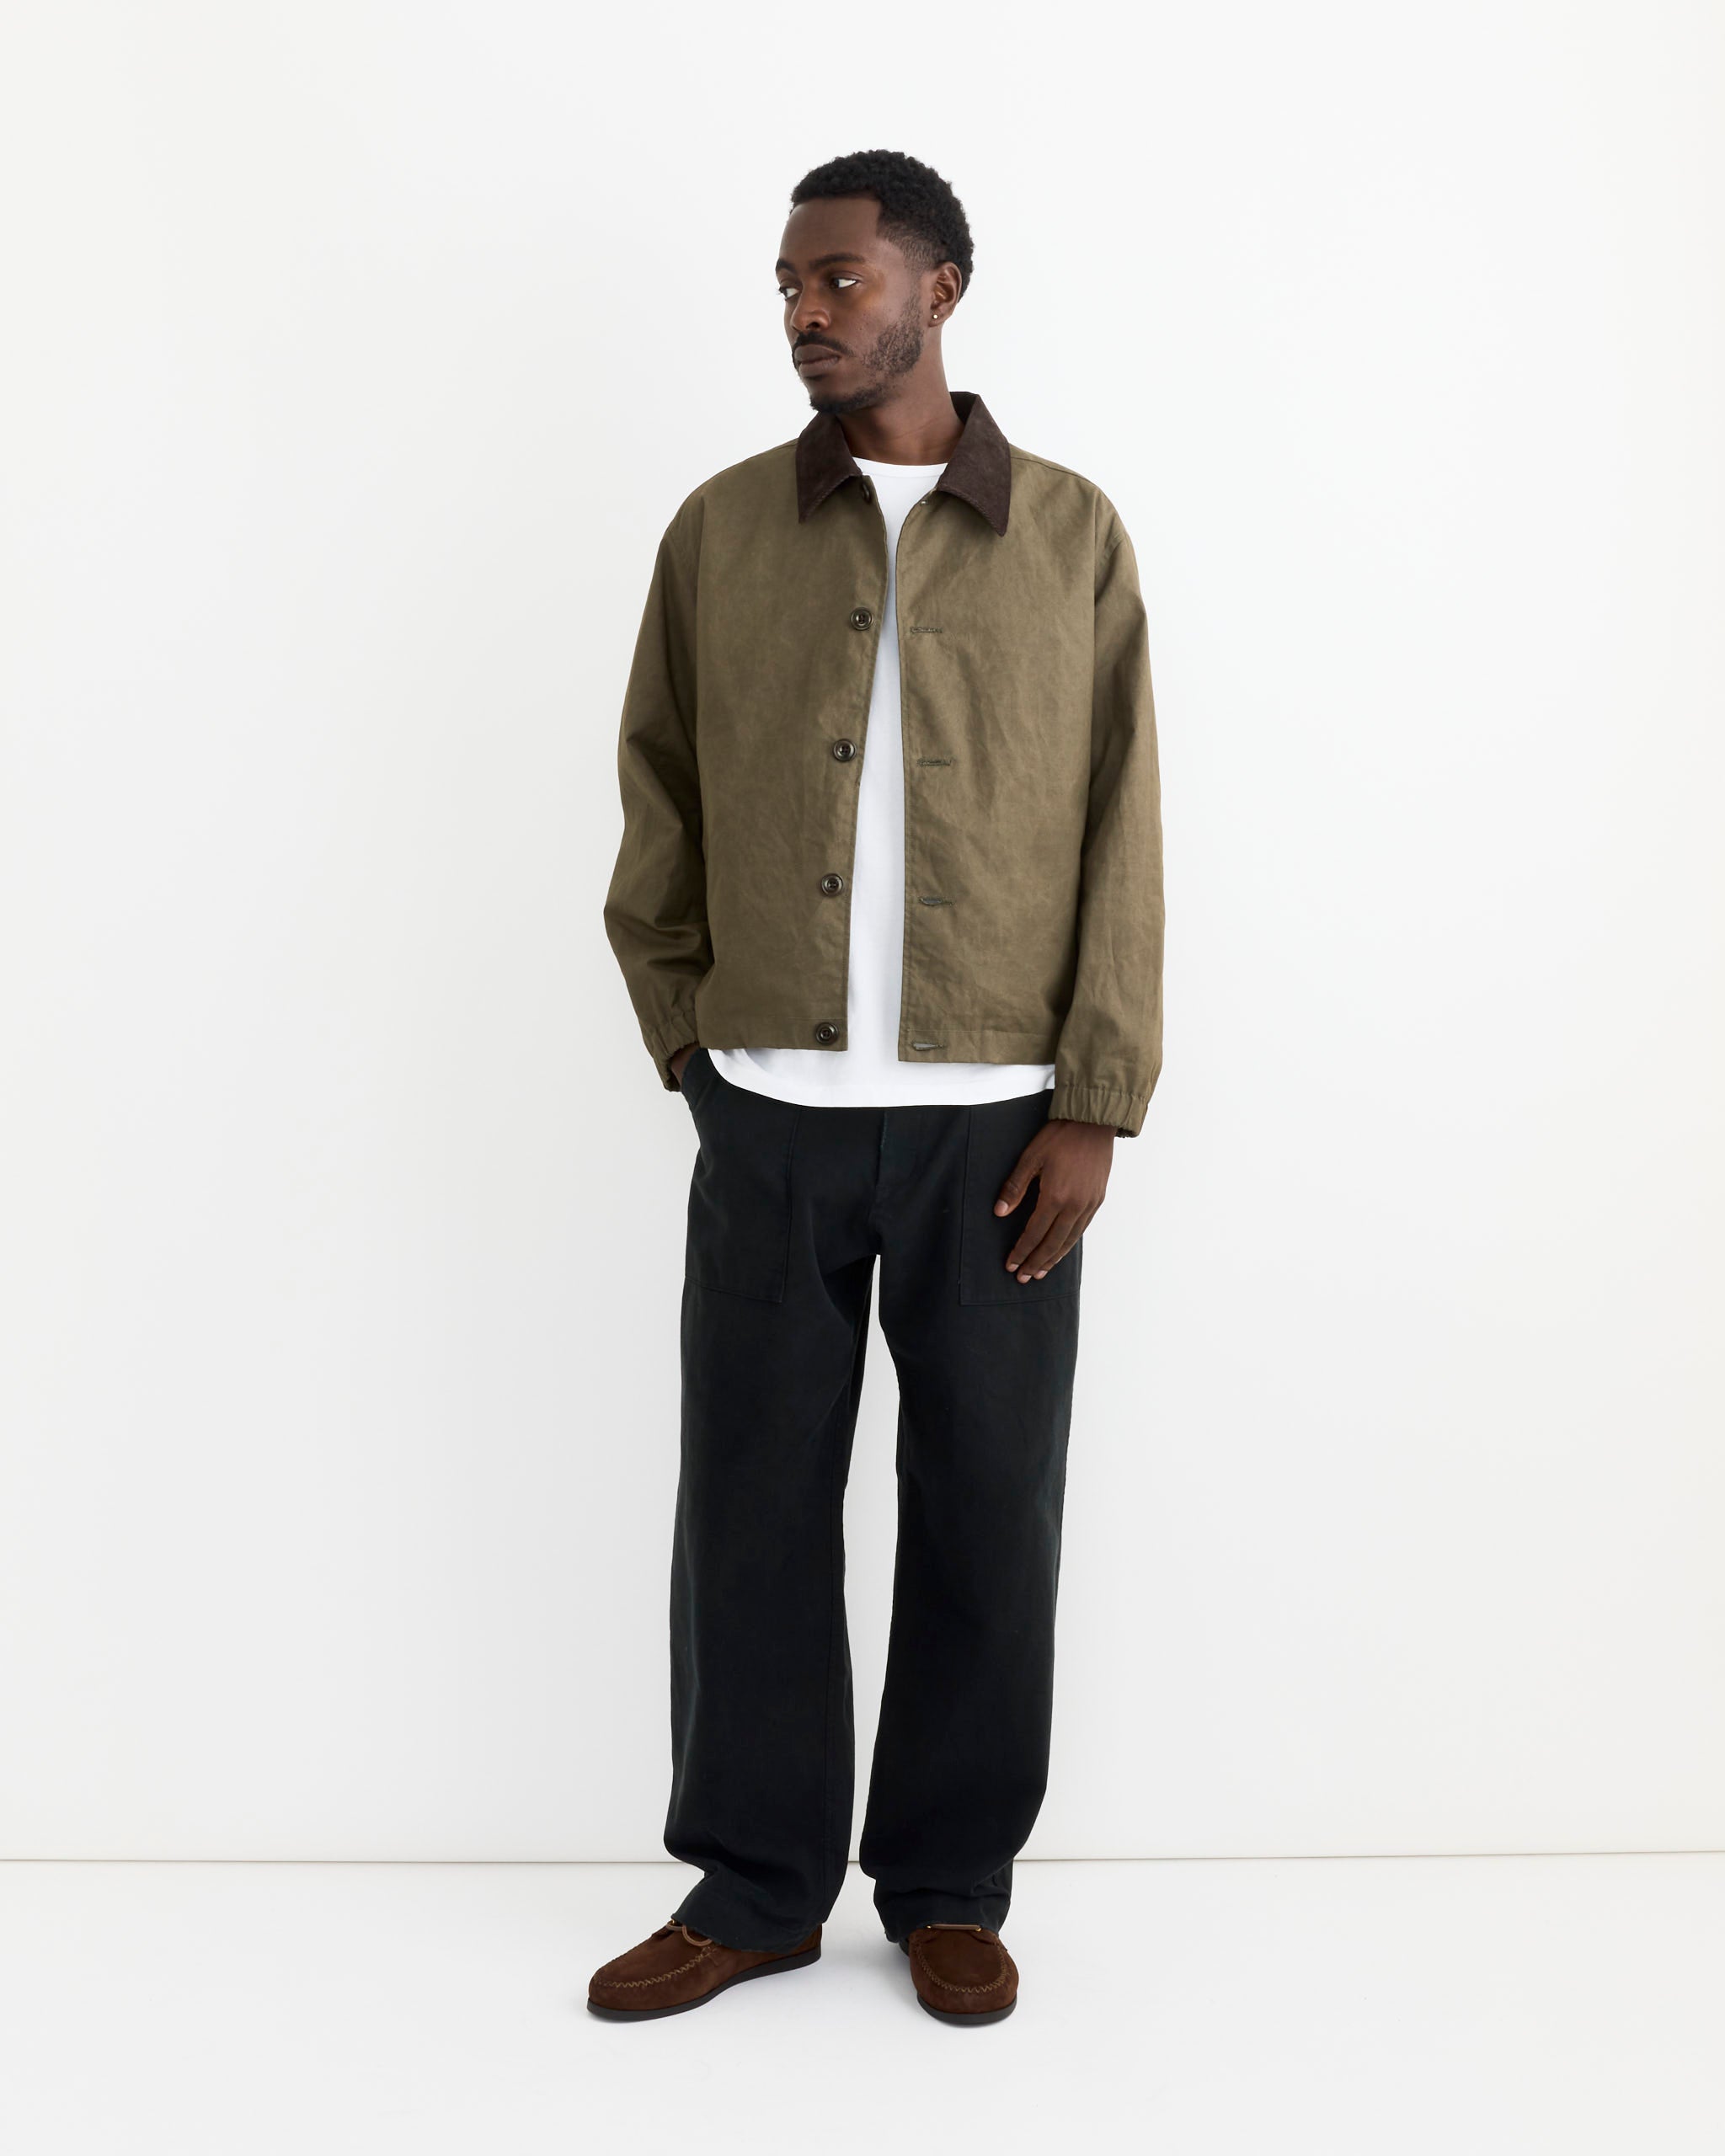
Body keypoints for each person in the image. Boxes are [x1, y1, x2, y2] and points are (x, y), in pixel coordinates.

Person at [592, 147, 1164, 2025]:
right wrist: (685, 1032)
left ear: (938, 286)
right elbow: (656, 784)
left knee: (989, 1500)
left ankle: (944, 1881)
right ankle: (752, 1883)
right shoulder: (722, 529)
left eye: (840, 279)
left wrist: (1095, 1095)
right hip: (766, 1107)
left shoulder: (1071, 536)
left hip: (1005, 1124)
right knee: (748, 1504)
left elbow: (1119, 828)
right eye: (788, 286)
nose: (806, 314)